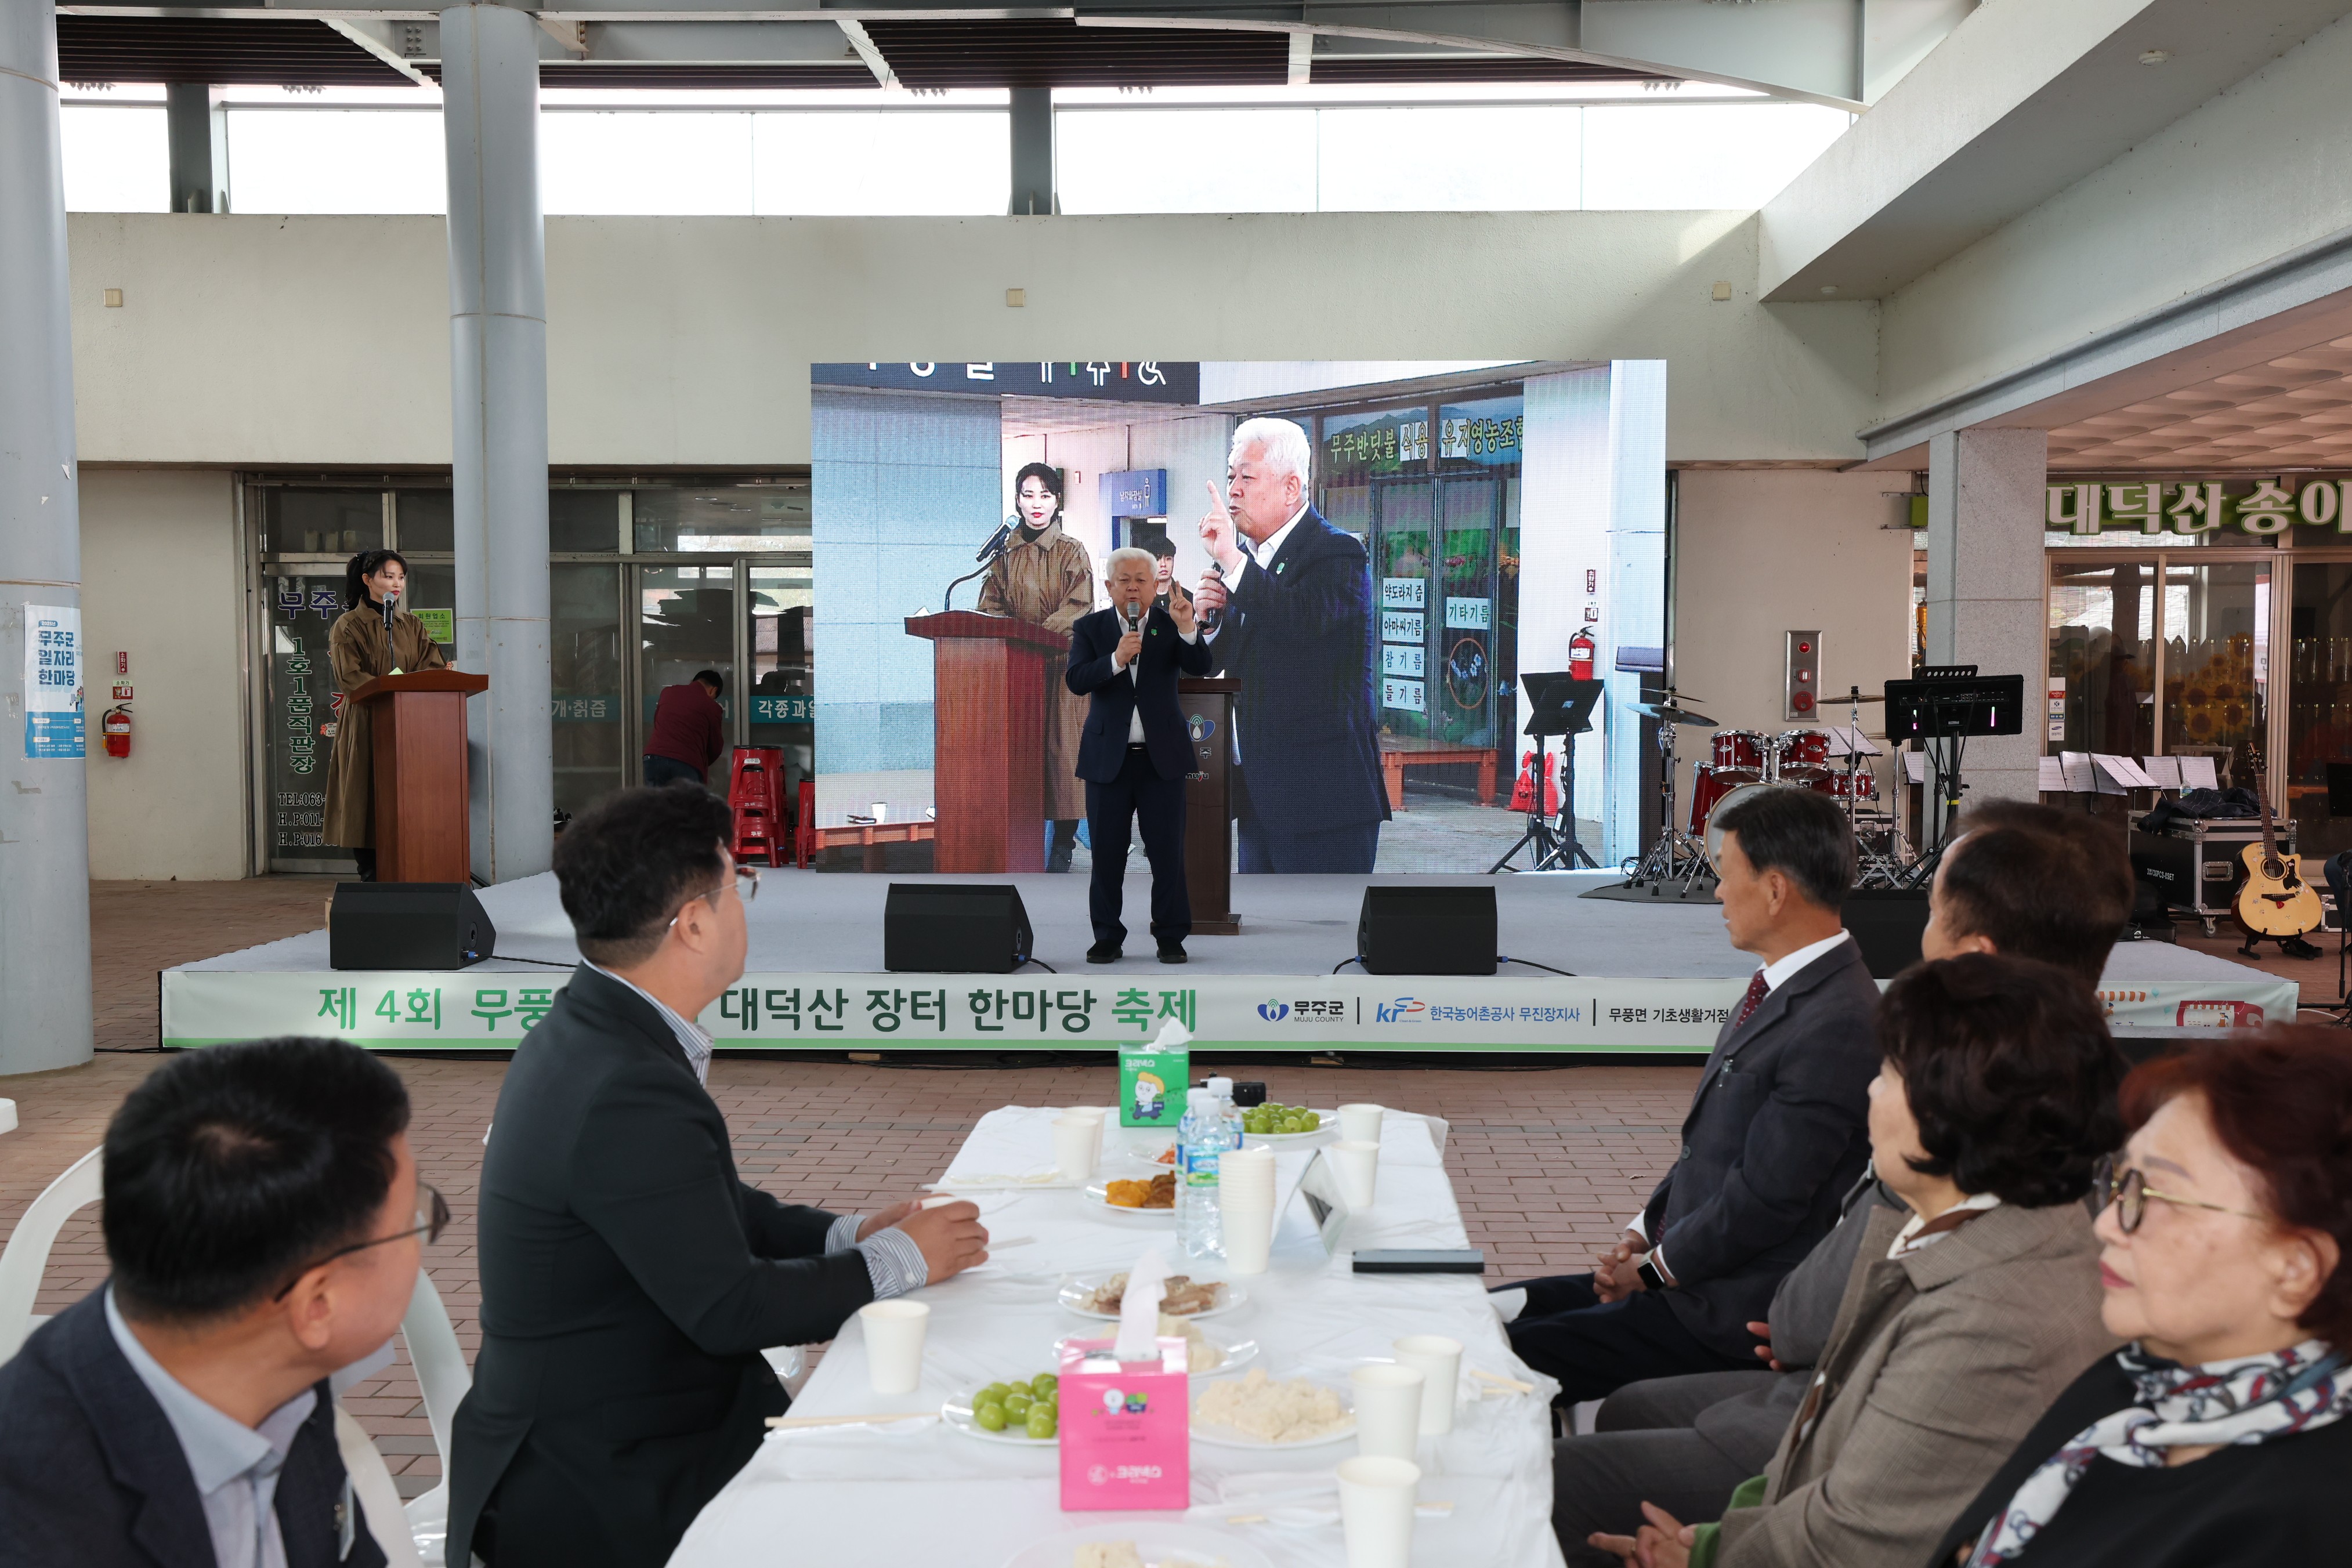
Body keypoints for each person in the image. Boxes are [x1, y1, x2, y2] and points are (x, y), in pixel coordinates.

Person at [1555, 798, 2142, 1548]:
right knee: (1625, 1407)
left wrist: (1709, 1549)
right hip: (1827, 1384)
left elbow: (1848, 1477)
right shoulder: (2091, 1103)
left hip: (1842, 1421)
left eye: (1929, 907)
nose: (1876, 1086)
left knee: (1557, 1476)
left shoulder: (1961, 1117)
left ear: (1976, 956)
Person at [450, 784, 990, 1568]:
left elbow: (698, 1204)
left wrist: (849, 1233)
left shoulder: (592, 1029)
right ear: (693, 923)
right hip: (603, 1479)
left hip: (617, 1428)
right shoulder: (622, 1083)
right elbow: (729, 1308)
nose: (745, 905)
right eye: (740, 884)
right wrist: (904, 1258)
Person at [1499, 786, 1879, 1403]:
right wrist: (1643, 1234)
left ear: (1776, 889)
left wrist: (1651, 1272)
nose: (1719, 894)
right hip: (1687, 1275)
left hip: (1726, 1312)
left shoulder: (1836, 1018)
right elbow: (1707, 1151)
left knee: (1505, 1360)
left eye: (1728, 877)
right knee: (1486, 1315)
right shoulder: (1782, 987)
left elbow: (1768, 1198)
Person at [1928, 1029, 2352, 1568]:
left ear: (2297, 1269)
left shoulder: (2305, 1525)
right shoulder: (2135, 1377)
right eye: (2121, 1181)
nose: (2107, 1223)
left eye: (2154, 1196)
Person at [0, 1037, 429, 1568]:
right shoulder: (38, 1525)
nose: (421, 1244)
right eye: (413, 1222)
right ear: (316, 1305)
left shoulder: (278, 1381)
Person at [1192, 417, 1388, 873]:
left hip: (1323, 800)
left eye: (1247, 477)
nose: (1234, 490)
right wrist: (1208, 624)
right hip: (1260, 796)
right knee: (1265, 938)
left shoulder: (1338, 552)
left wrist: (1234, 565)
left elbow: (1301, 623)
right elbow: (1225, 661)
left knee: (1318, 936)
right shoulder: (1249, 562)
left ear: (1291, 487)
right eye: (1230, 478)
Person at [1066, 546, 1214, 964]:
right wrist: (1115, 660)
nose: (1133, 586)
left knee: (1167, 852)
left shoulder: (1170, 624)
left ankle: (1170, 936)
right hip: (1107, 760)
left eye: (1141, 580)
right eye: (1124, 579)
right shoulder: (1090, 628)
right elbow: (1076, 679)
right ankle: (1108, 937)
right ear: (1109, 585)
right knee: (1107, 855)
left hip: (1160, 759)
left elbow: (1201, 664)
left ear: (1155, 586)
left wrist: (1189, 628)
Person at [978, 462, 1095, 872]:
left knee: (1062, 761)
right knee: (1020, 759)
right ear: (1016, 500)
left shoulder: (1071, 551)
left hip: (1062, 672)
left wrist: (1033, 642)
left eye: (1045, 495)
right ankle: (1019, 845)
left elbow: (1079, 608)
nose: (1036, 504)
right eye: (1028, 495)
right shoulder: (1004, 553)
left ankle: (1062, 847)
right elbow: (989, 608)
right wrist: (1016, 647)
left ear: (1057, 501)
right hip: (1016, 675)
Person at [323, 547, 447, 881]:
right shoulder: (348, 625)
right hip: (367, 723)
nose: (397, 583)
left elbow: (432, 666)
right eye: (388, 576)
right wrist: (389, 688)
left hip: (411, 725)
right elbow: (351, 678)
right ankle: (372, 876)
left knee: (408, 798)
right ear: (367, 580)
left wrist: (415, 686)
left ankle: (413, 870)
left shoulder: (411, 624)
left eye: (401, 577)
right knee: (367, 798)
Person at [644, 668, 726, 788]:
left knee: (658, 804)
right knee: (687, 805)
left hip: (654, 759)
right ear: (714, 690)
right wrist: (701, 761)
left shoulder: (668, 692)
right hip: (686, 762)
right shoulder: (711, 707)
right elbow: (716, 747)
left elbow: (657, 721)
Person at [1145, 532, 1192, 616]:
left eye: (1168, 559)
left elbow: (1203, 627)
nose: (1163, 564)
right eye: (1157, 559)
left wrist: (1206, 626)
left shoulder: (1187, 598)